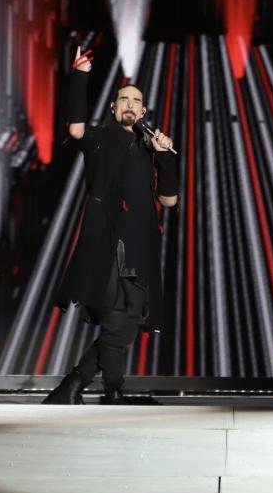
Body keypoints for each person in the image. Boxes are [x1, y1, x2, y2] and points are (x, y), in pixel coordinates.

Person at [43, 46, 179, 404]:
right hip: (110, 244)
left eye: (136, 101)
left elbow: (170, 200)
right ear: (114, 107)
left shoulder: (151, 150)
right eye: (123, 100)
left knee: (128, 323)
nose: (130, 105)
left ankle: (72, 385)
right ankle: (113, 390)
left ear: (144, 111)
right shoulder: (102, 139)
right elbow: (74, 130)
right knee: (118, 318)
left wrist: (166, 158)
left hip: (142, 248)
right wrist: (81, 76)